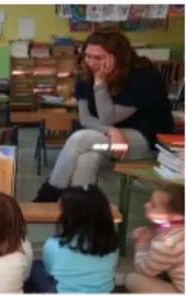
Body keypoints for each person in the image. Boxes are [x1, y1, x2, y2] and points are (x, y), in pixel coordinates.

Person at [34, 30, 174, 202]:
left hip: (141, 143)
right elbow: (85, 119)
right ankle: (81, 216)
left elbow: (108, 117)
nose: (91, 63)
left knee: (80, 139)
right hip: (107, 144)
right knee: (87, 157)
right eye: (87, 56)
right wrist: (111, 132)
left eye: (99, 58)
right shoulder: (85, 77)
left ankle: (48, 194)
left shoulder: (141, 76)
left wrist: (100, 82)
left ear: (117, 57)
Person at [26, 185, 118, 293]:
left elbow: (49, 272)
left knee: (33, 267)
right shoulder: (112, 246)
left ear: (68, 217)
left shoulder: (54, 245)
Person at [125, 185, 184, 293]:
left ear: (172, 216)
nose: (146, 205)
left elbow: (143, 270)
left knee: (132, 279)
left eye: (153, 204)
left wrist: (141, 244)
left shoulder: (165, 244)